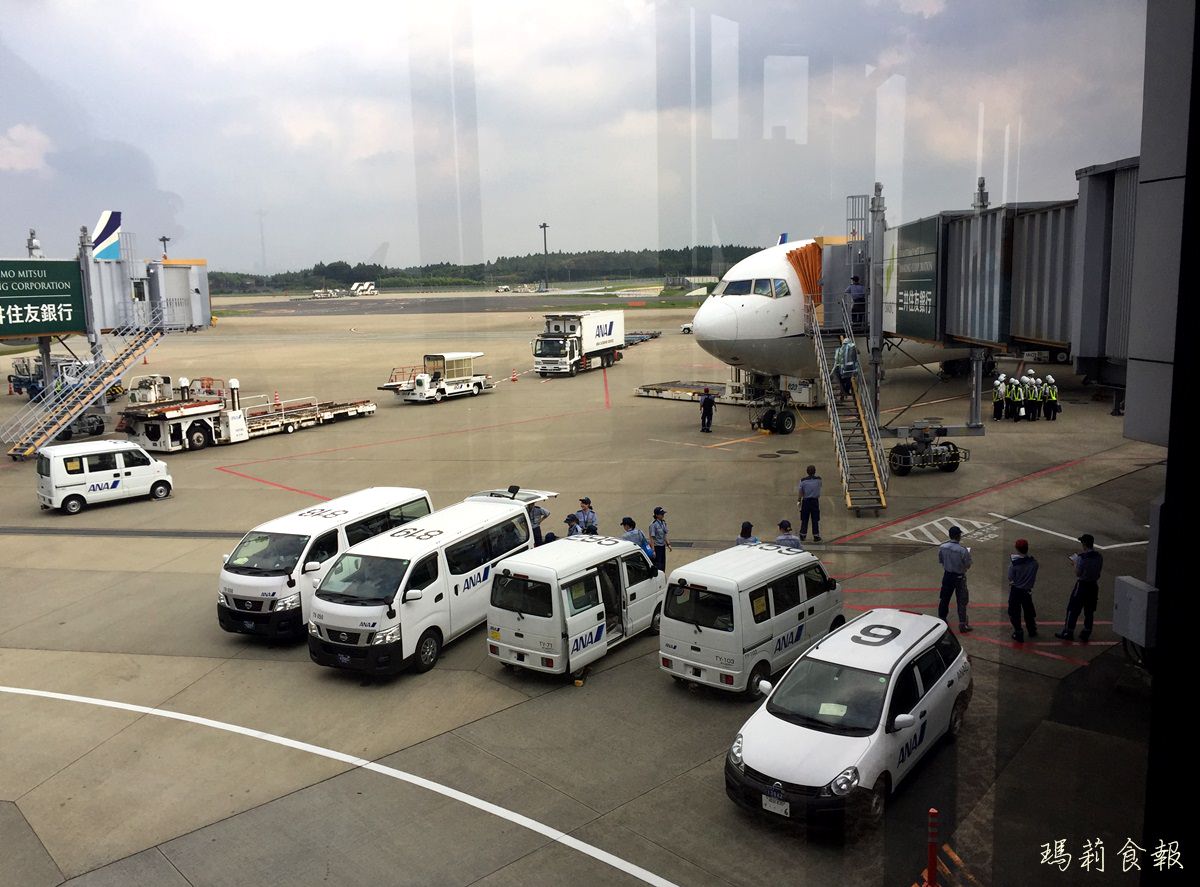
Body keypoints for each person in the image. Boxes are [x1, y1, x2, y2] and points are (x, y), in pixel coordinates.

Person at [1056, 534, 1104, 642]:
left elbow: (1078, 573)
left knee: (1073, 609)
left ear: (1085, 544)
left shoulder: (1082, 558)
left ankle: (1068, 631)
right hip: (1093, 586)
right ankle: (1086, 631)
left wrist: (1075, 564)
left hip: (1083, 585)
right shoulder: (1099, 556)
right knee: (1089, 610)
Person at [937, 525, 973, 632]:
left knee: (944, 598)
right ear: (958, 536)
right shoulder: (962, 550)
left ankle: (942, 619)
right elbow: (967, 565)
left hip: (947, 576)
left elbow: (941, 561)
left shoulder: (942, 547)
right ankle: (962, 624)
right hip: (959, 578)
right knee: (961, 601)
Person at [1007, 539, 1039, 642]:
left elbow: (1010, 577)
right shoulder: (1034, 563)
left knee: (1014, 612)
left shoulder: (1014, 564)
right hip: (1027, 591)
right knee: (1029, 611)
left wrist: (1014, 582)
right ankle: (1032, 629)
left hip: (1016, 590)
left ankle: (1018, 632)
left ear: (1017, 549)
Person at [797, 464, 822, 542]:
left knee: (804, 519)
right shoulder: (819, 479)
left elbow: (800, 491)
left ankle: (803, 535)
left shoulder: (803, 481)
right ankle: (816, 535)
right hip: (815, 501)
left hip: (806, 501)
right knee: (815, 519)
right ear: (815, 472)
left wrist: (799, 500)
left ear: (807, 472)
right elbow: (820, 486)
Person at [649, 506, 671, 571]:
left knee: (663, 563)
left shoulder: (663, 522)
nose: (663, 515)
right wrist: (653, 550)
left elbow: (665, 534)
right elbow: (652, 538)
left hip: (662, 546)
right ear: (656, 515)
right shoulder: (653, 525)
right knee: (658, 565)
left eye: (663, 514)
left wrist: (668, 544)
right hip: (656, 547)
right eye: (661, 514)